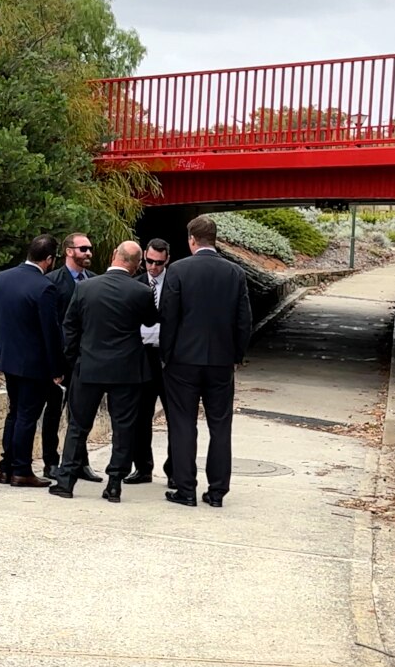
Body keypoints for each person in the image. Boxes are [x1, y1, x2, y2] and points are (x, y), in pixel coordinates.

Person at [49, 241, 158, 503]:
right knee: (123, 427)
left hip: (89, 366)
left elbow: (70, 327)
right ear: (137, 265)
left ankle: (66, 481)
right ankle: (115, 484)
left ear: (113, 256)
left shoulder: (85, 288)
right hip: (127, 369)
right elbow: (150, 320)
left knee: (78, 426)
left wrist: (71, 361)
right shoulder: (142, 291)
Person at [159, 215, 252, 508]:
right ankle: (217, 491)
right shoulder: (235, 273)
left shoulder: (178, 270)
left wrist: (166, 355)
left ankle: (185, 489)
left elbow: (168, 316)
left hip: (183, 360)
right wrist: (236, 355)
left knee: (183, 423)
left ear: (192, 239)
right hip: (221, 361)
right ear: (214, 239)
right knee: (220, 425)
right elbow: (244, 320)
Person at [0, 234, 65, 488]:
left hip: (7, 357)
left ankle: (6, 467)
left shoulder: (3, 277)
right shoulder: (45, 287)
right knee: (26, 415)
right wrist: (57, 368)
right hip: (33, 363)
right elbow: (50, 332)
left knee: (14, 411)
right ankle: (21, 470)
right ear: (49, 259)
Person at [43, 232, 102, 483]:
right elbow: (50, 323)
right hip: (59, 358)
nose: (88, 253)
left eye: (90, 249)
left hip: (86, 358)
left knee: (80, 415)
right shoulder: (52, 282)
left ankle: (80, 463)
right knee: (53, 411)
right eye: (83, 248)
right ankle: (50, 462)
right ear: (69, 251)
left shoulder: (95, 281)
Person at [124, 238, 174, 487]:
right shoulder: (135, 284)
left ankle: (174, 470)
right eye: (149, 261)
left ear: (167, 260)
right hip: (142, 354)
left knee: (175, 415)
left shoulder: (175, 285)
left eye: (159, 263)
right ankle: (142, 467)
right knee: (141, 414)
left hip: (167, 358)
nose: (153, 267)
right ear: (144, 256)